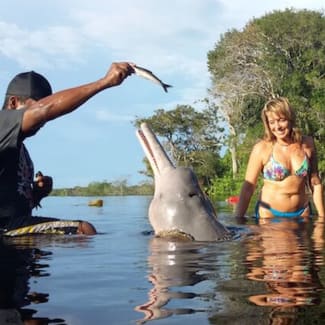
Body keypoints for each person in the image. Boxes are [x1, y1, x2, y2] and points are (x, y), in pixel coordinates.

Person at [0, 62, 135, 235]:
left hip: (14, 229)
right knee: (83, 230)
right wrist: (104, 82)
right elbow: (43, 110)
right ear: (13, 103)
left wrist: (37, 193)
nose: (44, 122)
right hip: (5, 228)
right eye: (35, 107)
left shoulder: (18, 147)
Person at [235, 96, 324, 222]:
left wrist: (322, 219)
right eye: (272, 122)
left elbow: (315, 182)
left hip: (302, 214)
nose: (277, 127)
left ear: (290, 118)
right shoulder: (262, 148)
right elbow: (248, 187)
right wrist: (238, 220)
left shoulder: (307, 144)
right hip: (269, 215)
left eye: (281, 120)